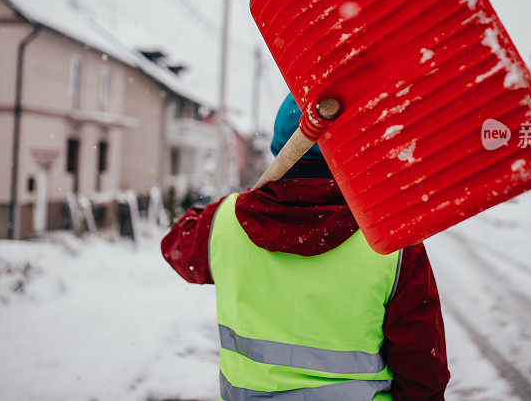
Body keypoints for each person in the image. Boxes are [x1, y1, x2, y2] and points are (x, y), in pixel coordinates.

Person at [161, 93, 450, 400]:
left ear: (279, 147)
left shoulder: (223, 223)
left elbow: (176, 244)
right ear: (353, 150)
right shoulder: (392, 240)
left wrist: (239, 203)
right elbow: (423, 372)